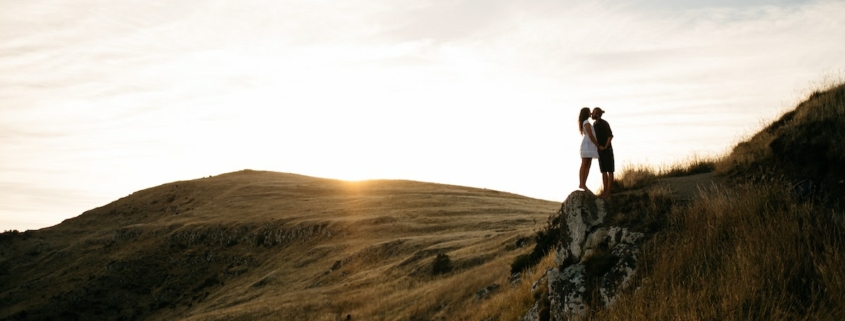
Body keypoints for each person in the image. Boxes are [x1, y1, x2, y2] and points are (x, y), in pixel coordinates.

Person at [592, 107, 614, 198]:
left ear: (597, 114)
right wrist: (598, 147)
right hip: (599, 150)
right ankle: (605, 191)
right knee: (603, 171)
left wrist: (605, 146)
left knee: (610, 170)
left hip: (607, 149)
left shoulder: (604, 123)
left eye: (593, 112)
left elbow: (610, 136)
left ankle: (609, 191)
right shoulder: (594, 124)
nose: (592, 114)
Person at [578, 107, 599, 193]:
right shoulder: (586, 122)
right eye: (589, 112)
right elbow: (590, 135)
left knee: (587, 165)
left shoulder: (586, 122)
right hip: (588, 145)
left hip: (590, 145)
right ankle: (582, 183)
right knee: (584, 164)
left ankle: (583, 183)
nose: (590, 113)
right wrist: (597, 145)